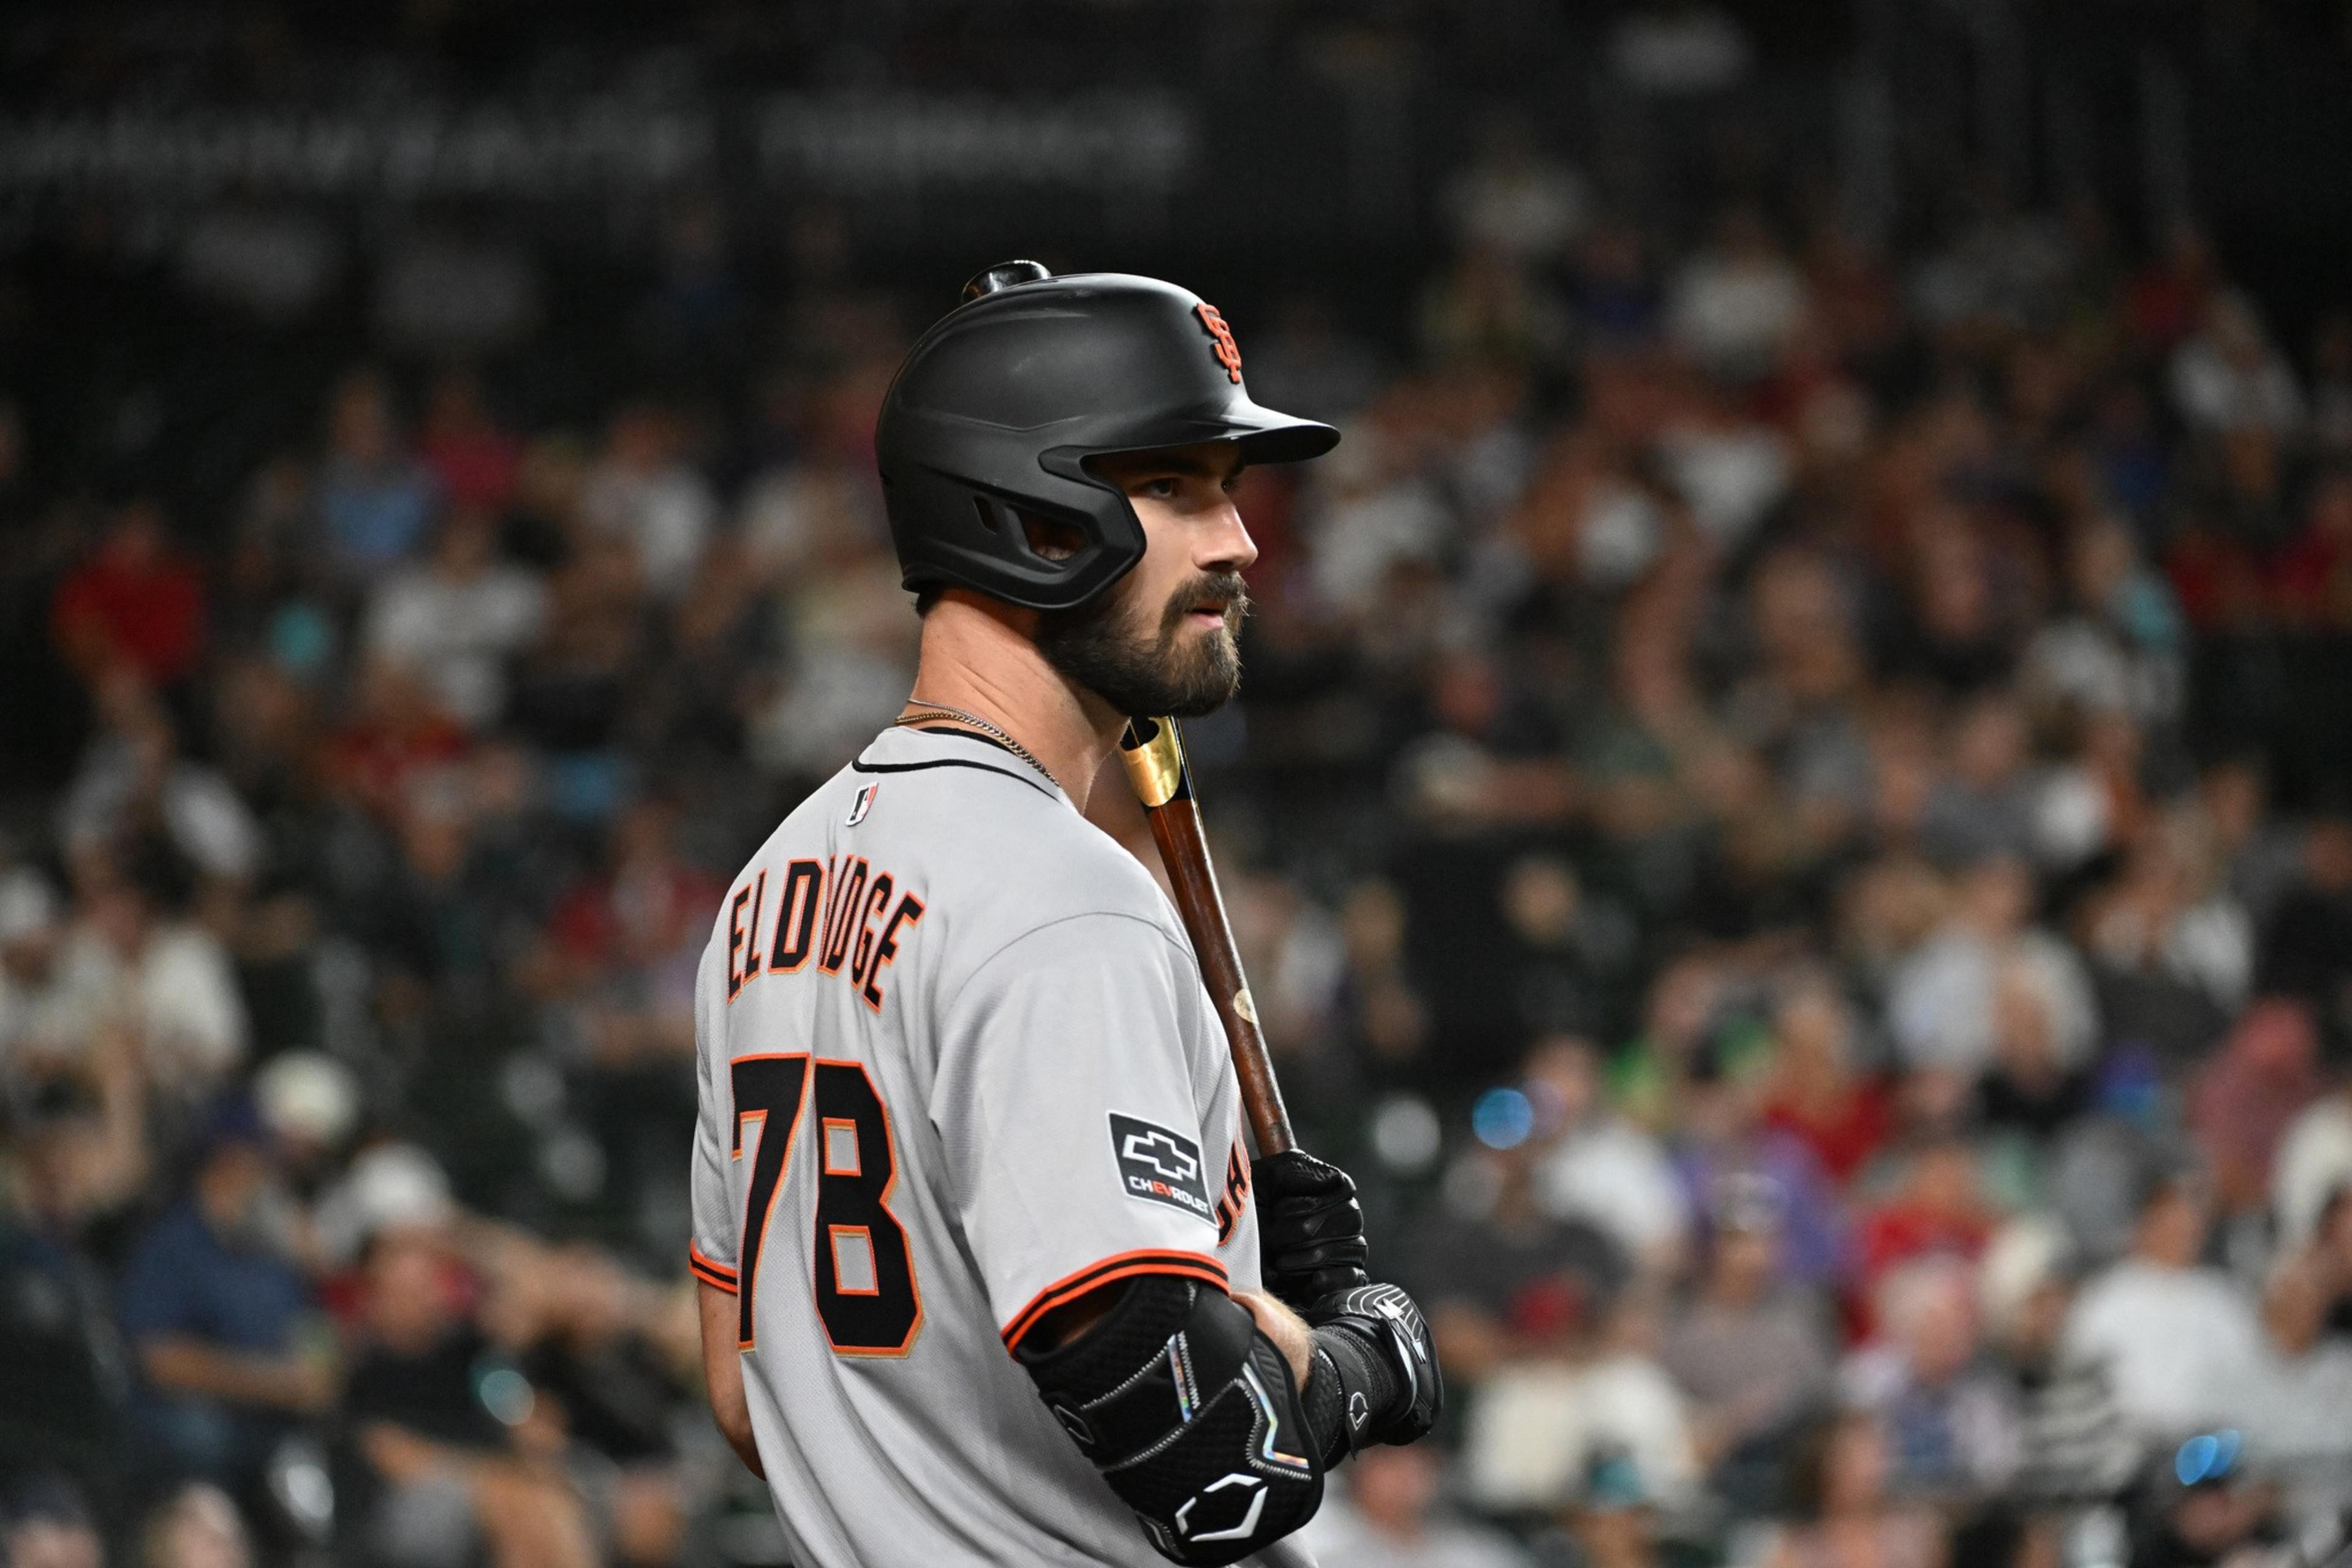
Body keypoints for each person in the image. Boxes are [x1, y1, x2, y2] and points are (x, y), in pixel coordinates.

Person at [689, 262, 1441, 1568]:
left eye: (1227, 487)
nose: (1238, 541)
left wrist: (1239, 1290)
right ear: (1026, 514)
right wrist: (1356, 1359)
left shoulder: (767, 886)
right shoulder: (1064, 908)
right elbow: (1220, 1466)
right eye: (1173, 486)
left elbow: (743, 1398)